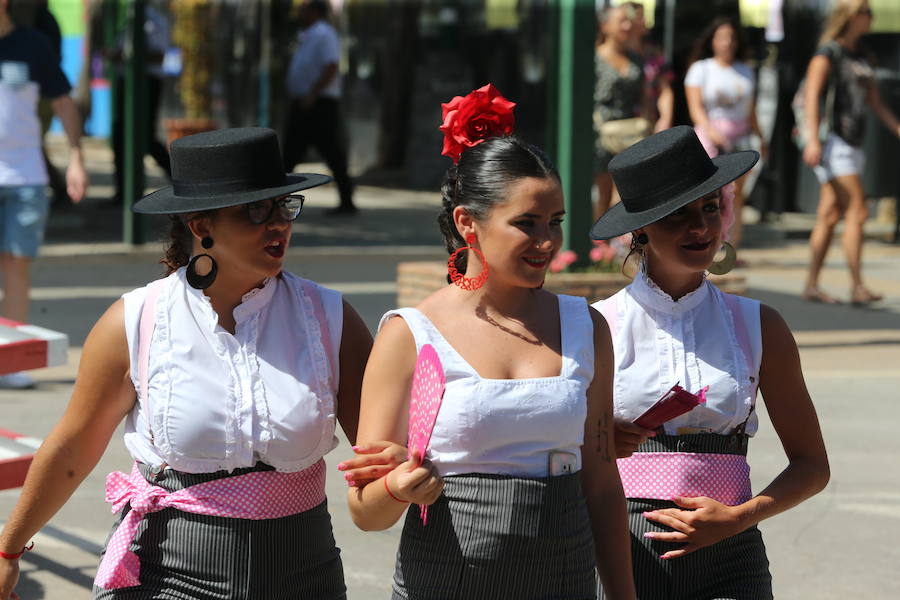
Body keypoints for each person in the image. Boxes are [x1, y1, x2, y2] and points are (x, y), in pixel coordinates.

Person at [0, 128, 404, 599]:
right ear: (200, 226)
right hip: (165, 573)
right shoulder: (135, 322)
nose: (279, 224)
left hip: (303, 574)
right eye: (256, 210)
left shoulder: (330, 319)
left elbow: (376, 460)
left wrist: (399, 475)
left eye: (284, 206)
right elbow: (73, 448)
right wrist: (8, 551)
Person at [347, 85, 637, 600]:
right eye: (526, 224)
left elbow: (601, 484)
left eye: (556, 222)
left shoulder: (586, 326)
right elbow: (365, 511)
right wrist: (395, 487)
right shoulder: (409, 333)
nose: (547, 242)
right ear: (468, 223)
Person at [590, 126, 830, 599]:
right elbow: (553, 458)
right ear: (640, 228)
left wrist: (740, 517)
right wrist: (599, 442)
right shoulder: (597, 326)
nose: (699, 228)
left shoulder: (760, 325)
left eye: (709, 208)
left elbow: (812, 465)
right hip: (619, 552)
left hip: (732, 556)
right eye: (676, 216)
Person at [0, 0, 88, 389]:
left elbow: (63, 101)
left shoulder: (33, 44)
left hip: (25, 177)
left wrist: (76, 158)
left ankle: (10, 361)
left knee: (17, 266)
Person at [800, 0, 900, 305]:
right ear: (851, 16)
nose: (871, 17)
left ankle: (811, 285)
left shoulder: (862, 54)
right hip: (833, 142)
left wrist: (896, 127)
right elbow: (811, 97)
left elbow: (874, 101)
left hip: (854, 142)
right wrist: (812, 140)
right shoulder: (827, 53)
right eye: (866, 11)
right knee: (858, 210)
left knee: (829, 215)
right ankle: (857, 285)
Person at [685, 16, 765, 250]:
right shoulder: (701, 69)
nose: (727, 42)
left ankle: (732, 244)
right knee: (711, 193)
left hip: (740, 137)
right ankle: (707, 242)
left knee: (737, 194)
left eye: (731, 37)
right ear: (712, 41)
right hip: (710, 138)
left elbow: (751, 110)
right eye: (722, 37)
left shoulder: (745, 70)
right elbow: (695, 108)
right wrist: (711, 132)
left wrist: (760, 135)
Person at [283, 0, 355, 215]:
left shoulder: (324, 34)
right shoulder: (308, 35)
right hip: (307, 100)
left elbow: (331, 65)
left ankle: (347, 200)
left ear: (314, 12)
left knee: (331, 151)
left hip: (318, 102)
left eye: (304, 9)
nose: (299, 13)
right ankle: (276, 199)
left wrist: (313, 93)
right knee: (290, 153)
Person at [108, 0, 172, 204]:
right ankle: (124, 191)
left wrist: (129, 54)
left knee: (145, 137)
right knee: (120, 135)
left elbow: (159, 56)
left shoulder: (155, 21)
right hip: (126, 82)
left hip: (147, 83)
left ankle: (179, 180)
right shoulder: (129, 19)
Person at [593, 5, 654, 219]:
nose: (627, 26)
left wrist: (648, 125)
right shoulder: (594, 58)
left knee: (626, 189)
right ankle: (600, 243)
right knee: (602, 190)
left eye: (629, 21)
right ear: (605, 26)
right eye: (621, 21)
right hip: (601, 132)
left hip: (629, 133)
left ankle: (619, 241)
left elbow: (646, 98)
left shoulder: (636, 59)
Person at [624, 2, 673, 134]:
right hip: (622, 125)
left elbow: (665, 89)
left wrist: (665, 118)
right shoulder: (617, 54)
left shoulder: (653, 53)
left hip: (648, 124)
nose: (645, 21)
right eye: (640, 17)